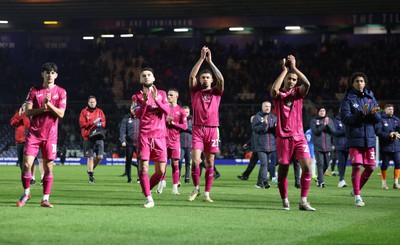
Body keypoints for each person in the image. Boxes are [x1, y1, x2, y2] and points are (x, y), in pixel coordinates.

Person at [16, 62, 67, 208]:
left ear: (56, 75)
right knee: (26, 164)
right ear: (42, 74)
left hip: (51, 135)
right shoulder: (34, 90)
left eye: (52, 73)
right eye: (47, 72)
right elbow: (28, 112)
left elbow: (61, 114)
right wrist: (43, 107)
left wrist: (49, 105)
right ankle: (26, 193)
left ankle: (45, 199)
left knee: (48, 167)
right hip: (34, 134)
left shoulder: (61, 92)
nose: (49, 75)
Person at [270, 55, 315, 211]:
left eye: (294, 80)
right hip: (283, 137)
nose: (291, 82)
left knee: (307, 167)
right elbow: (274, 90)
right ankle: (285, 199)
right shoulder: (279, 96)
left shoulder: (298, 94)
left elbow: (307, 83)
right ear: (285, 80)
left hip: (299, 136)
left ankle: (303, 201)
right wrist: (284, 71)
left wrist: (294, 68)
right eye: (289, 79)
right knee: (283, 170)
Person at [187, 46, 224, 203]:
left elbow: (221, 80)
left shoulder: (216, 92)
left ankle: (207, 193)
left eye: (207, 78)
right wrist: (201, 59)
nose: (204, 79)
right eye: (203, 78)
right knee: (196, 160)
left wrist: (211, 62)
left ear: (211, 80)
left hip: (212, 130)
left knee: (210, 162)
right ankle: (196, 189)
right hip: (197, 129)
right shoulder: (195, 91)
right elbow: (191, 77)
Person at [340, 72, 381, 207]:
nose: (359, 83)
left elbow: (377, 119)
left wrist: (374, 114)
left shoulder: (370, 98)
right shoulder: (347, 100)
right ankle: (357, 196)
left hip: (368, 138)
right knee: (357, 166)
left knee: (370, 167)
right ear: (352, 83)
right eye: (357, 81)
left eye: (362, 81)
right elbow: (346, 119)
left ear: (365, 83)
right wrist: (361, 114)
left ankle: (356, 189)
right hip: (354, 138)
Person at [132, 67, 169, 208]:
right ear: (140, 80)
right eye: (143, 75)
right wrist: (147, 102)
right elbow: (138, 115)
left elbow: (167, 110)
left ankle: (146, 188)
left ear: (153, 78)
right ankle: (149, 198)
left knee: (161, 171)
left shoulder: (162, 94)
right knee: (144, 168)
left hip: (160, 136)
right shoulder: (136, 97)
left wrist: (155, 100)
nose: (146, 77)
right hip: (145, 136)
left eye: (149, 75)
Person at [158, 88, 187, 195]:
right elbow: (157, 122)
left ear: (176, 96)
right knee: (163, 163)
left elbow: (184, 126)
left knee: (175, 163)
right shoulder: (163, 109)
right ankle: (162, 183)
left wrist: (174, 123)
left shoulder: (181, 111)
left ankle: (175, 187)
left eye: (171, 95)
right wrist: (164, 121)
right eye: (168, 95)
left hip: (175, 141)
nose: (168, 97)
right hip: (163, 140)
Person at [79, 95, 106, 184]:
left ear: (96, 103)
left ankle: (91, 169)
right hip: (88, 137)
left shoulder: (100, 111)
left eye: (94, 102)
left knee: (100, 157)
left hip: (98, 136)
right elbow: (82, 123)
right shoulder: (84, 112)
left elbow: (103, 123)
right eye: (91, 102)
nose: (92, 103)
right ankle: (91, 176)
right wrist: (92, 123)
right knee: (90, 157)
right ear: (88, 103)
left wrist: (99, 124)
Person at [252, 101, 277, 189]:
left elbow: (275, 132)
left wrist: (276, 128)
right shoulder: (257, 117)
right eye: (266, 106)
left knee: (265, 164)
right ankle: (265, 182)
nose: (267, 108)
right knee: (264, 164)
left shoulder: (273, 117)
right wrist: (264, 124)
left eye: (269, 106)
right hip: (261, 145)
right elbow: (255, 129)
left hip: (271, 146)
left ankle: (259, 183)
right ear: (262, 107)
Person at [375, 104, 400, 190]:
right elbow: (378, 132)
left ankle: (396, 183)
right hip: (385, 147)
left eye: (392, 109)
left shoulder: (397, 120)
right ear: (385, 110)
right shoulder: (381, 120)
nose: (391, 111)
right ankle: (384, 183)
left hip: (396, 147)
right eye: (389, 109)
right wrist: (389, 135)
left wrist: (397, 135)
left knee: (398, 163)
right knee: (385, 165)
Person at [310, 106, 336, 188]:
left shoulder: (329, 120)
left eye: (324, 111)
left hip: (327, 146)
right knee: (320, 164)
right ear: (318, 111)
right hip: (318, 146)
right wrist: (323, 126)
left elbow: (333, 131)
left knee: (327, 164)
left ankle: (318, 178)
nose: (322, 112)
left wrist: (327, 125)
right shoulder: (314, 120)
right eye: (321, 111)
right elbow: (315, 131)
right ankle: (322, 182)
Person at [119, 104, 140, 183]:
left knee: (140, 161)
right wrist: (123, 140)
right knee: (128, 161)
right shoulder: (126, 119)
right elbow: (122, 131)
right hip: (129, 144)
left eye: (135, 108)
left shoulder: (141, 118)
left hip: (139, 144)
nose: (134, 110)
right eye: (132, 108)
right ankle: (129, 178)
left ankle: (139, 178)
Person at [332, 112, 349, 188]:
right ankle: (341, 180)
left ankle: (342, 179)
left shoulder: (347, 120)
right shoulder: (335, 121)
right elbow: (335, 132)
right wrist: (345, 131)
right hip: (339, 144)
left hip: (347, 144)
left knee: (344, 162)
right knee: (341, 162)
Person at [180, 105, 192, 184]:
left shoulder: (192, 120)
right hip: (180, 145)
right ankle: (177, 177)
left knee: (188, 162)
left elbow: (194, 130)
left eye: (187, 112)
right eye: (184, 112)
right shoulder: (179, 120)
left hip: (189, 145)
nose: (186, 113)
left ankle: (187, 178)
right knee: (179, 161)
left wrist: (185, 128)